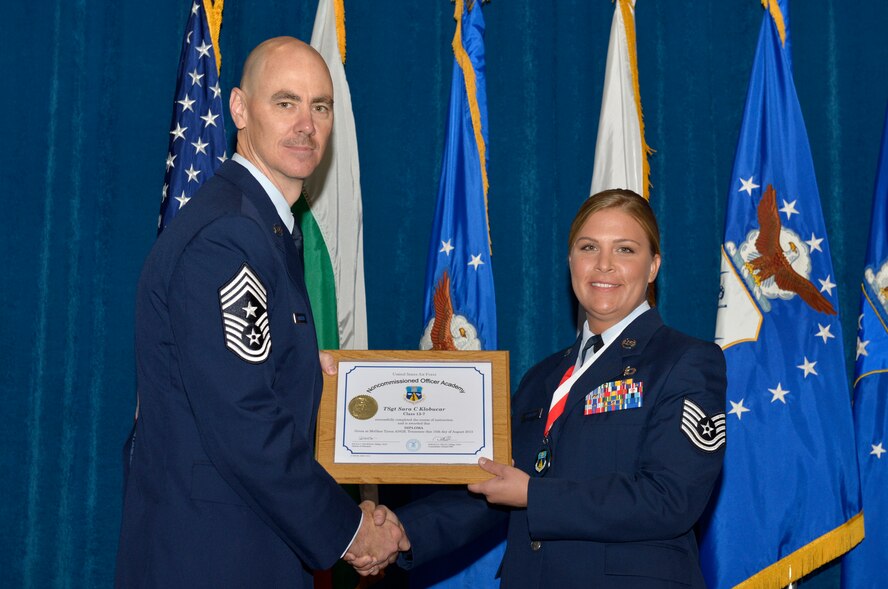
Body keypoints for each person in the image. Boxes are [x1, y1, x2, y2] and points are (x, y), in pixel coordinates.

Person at [115, 37, 405, 588]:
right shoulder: (229, 236)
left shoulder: (262, 228)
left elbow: (243, 382)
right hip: (215, 557)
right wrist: (349, 531)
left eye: (320, 107)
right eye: (285, 102)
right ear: (241, 109)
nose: (306, 125)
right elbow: (245, 420)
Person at [379, 189, 727, 587]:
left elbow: (670, 499)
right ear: (571, 262)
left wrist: (535, 496)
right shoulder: (540, 379)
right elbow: (494, 484)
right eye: (588, 247)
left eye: (626, 250)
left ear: (653, 267)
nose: (604, 265)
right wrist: (401, 532)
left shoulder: (685, 360)